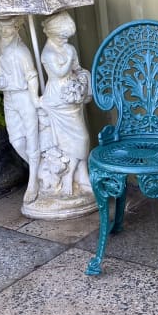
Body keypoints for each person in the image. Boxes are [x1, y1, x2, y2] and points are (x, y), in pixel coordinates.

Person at [0, 16, 41, 202]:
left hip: (24, 96)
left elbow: (32, 76)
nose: (3, 30)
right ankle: (42, 172)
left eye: (8, 27)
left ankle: (34, 180)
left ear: (17, 27)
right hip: (8, 97)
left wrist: (35, 99)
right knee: (16, 140)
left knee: (32, 138)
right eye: (0, 26)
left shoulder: (21, 51)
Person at [39, 11, 92, 196]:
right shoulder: (47, 53)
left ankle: (81, 176)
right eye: (62, 36)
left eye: (66, 37)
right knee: (70, 142)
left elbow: (77, 69)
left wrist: (83, 82)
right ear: (51, 33)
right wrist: (69, 57)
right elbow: (60, 73)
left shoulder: (69, 48)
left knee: (81, 138)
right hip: (57, 99)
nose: (65, 40)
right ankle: (69, 177)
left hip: (72, 97)